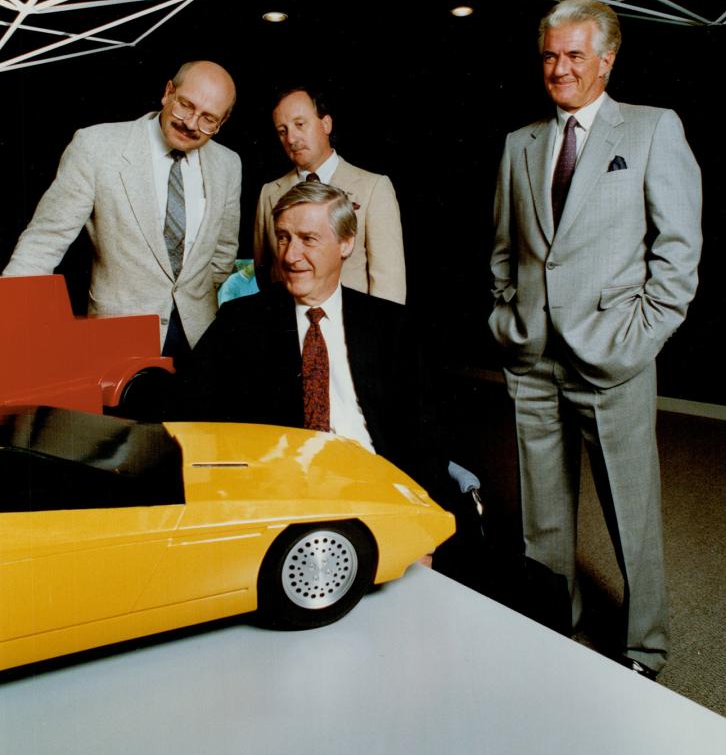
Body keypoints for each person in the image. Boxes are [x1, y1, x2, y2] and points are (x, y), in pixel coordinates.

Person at [489, 0, 702, 679]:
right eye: (549, 55)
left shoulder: (649, 130)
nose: (559, 68)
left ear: (606, 60)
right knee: (541, 517)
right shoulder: (518, 144)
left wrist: (635, 341)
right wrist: (506, 317)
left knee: (629, 516)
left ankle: (644, 647)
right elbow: (506, 252)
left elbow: (677, 256)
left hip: (610, 360)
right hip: (531, 357)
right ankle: (555, 628)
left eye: (575, 55)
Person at [173, 181, 442, 495]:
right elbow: (187, 414)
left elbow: (426, 440)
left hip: (375, 492)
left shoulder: (390, 326)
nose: (290, 256)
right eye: (284, 238)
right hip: (279, 495)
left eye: (308, 239)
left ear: (346, 243)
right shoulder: (240, 322)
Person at [3, 60, 241, 362]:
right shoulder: (96, 146)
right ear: (168, 92)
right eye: (186, 106)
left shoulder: (229, 164)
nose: (192, 123)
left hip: (199, 340)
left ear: (221, 124)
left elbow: (223, 254)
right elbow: (44, 242)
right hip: (116, 340)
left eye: (209, 118)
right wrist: (8, 318)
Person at [253, 87, 406, 304]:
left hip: (354, 329)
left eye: (299, 124)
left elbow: (389, 284)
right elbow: (265, 271)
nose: (292, 138)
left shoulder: (373, 188)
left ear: (326, 124)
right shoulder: (269, 193)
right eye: (282, 130)